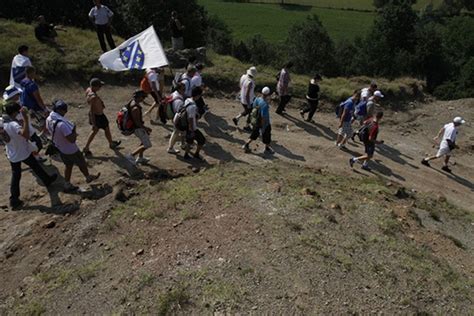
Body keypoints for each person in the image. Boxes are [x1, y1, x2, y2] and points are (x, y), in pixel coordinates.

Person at [3, 103, 57, 208]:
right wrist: (26, 119)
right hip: (22, 152)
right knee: (34, 166)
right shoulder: (13, 125)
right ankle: (47, 180)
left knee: (17, 174)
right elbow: (26, 135)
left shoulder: (3, 122)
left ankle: (14, 199)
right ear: (15, 112)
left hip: (12, 153)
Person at [46, 100, 100, 192]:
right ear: (61, 111)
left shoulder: (49, 119)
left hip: (60, 147)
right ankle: (88, 177)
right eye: (65, 111)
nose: (65, 113)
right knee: (82, 162)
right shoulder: (62, 124)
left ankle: (67, 183)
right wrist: (74, 129)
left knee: (68, 165)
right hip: (70, 149)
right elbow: (72, 140)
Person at [3, 85, 45, 162]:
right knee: (37, 145)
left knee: (35, 145)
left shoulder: (17, 103)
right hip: (25, 131)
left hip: (28, 129)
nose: (19, 95)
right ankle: (34, 158)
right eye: (17, 94)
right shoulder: (13, 107)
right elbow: (20, 121)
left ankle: (34, 157)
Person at [82, 78, 121, 156]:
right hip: (98, 116)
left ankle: (111, 143)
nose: (100, 88)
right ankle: (86, 148)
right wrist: (93, 122)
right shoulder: (93, 97)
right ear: (95, 86)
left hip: (99, 115)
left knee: (105, 128)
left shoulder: (89, 90)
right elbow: (92, 110)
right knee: (95, 130)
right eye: (99, 86)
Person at [242, 87, 274, 154]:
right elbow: (263, 116)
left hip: (255, 120)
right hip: (264, 123)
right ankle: (267, 148)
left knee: (254, 134)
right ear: (268, 94)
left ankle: (246, 144)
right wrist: (262, 126)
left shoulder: (257, 99)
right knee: (267, 135)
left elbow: (254, 107)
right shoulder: (265, 104)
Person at [125, 90, 153, 166]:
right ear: (139, 97)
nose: (143, 99)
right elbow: (137, 123)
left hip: (137, 127)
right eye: (143, 97)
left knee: (143, 141)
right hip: (137, 128)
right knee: (147, 145)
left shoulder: (132, 102)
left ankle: (140, 157)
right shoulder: (135, 108)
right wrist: (146, 128)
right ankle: (131, 155)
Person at [20, 66, 50, 134]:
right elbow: (38, 98)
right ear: (31, 73)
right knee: (46, 119)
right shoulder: (32, 84)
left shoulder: (22, 82)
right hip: (34, 107)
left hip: (25, 106)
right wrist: (44, 108)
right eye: (34, 73)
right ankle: (45, 135)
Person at [183, 87, 206, 160]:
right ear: (198, 95)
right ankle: (196, 154)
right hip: (192, 127)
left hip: (187, 125)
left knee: (189, 142)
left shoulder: (187, 100)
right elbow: (190, 118)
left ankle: (186, 154)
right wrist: (192, 130)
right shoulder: (193, 106)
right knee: (202, 140)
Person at [167, 83, 186, 154]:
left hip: (174, 116)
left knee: (183, 132)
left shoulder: (174, 93)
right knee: (176, 132)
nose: (185, 90)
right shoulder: (179, 101)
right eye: (183, 89)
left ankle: (183, 144)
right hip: (178, 119)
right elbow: (179, 112)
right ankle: (170, 148)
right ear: (178, 89)